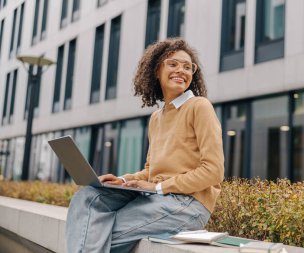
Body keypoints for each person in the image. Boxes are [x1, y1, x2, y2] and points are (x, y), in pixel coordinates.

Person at [65, 38, 224, 253]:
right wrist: (123, 180)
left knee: (93, 233)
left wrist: (158, 187)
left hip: (187, 205)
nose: (182, 71)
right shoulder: (157, 118)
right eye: (173, 64)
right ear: (156, 70)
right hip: (157, 198)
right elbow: (151, 171)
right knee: (89, 196)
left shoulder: (199, 106)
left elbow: (213, 171)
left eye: (188, 67)